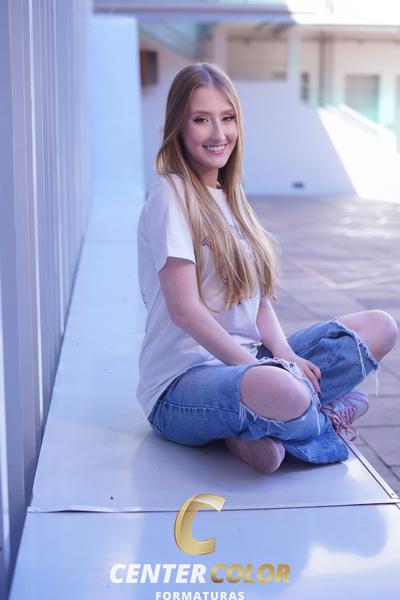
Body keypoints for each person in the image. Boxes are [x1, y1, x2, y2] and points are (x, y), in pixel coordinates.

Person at [136, 61, 398, 475]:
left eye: (227, 118)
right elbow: (184, 310)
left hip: (250, 364)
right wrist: (259, 368)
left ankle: (257, 428)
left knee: (379, 327)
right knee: (280, 388)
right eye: (201, 119)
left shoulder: (231, 198)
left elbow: (257, 302)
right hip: (182, 385)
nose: (218, 133)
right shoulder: (170, 196)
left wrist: (286, 355)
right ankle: (313, 419)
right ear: (178, 127)